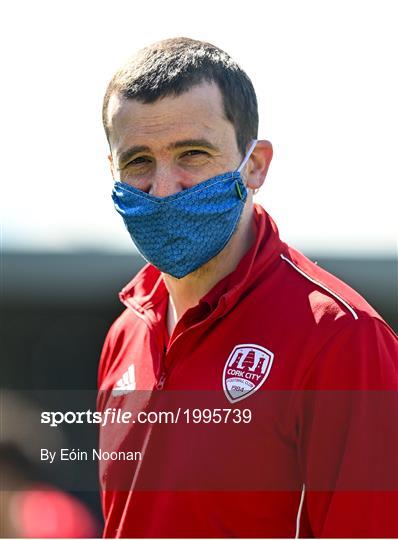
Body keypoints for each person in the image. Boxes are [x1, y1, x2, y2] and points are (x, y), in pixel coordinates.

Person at [97, 37, 398, 538]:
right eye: (139, 161)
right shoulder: (124, 335)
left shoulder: (341, 337)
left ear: (255, 165)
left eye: (192, 153)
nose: (164, 187)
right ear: (113, 170)